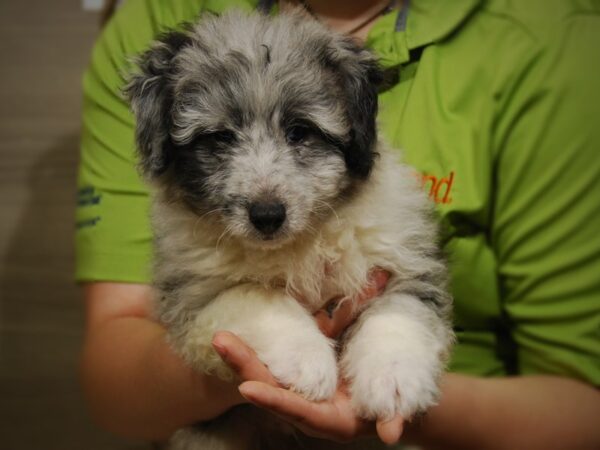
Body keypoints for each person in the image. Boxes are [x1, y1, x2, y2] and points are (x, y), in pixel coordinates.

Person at [77, 0, 600, 448]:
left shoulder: (548, 33)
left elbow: (417, 290)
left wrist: (390, 355)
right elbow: (128, 364)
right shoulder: (156, 17)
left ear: (359, 123)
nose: (265, 192)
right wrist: (259, 338)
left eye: (302, 133)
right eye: (218, 139)